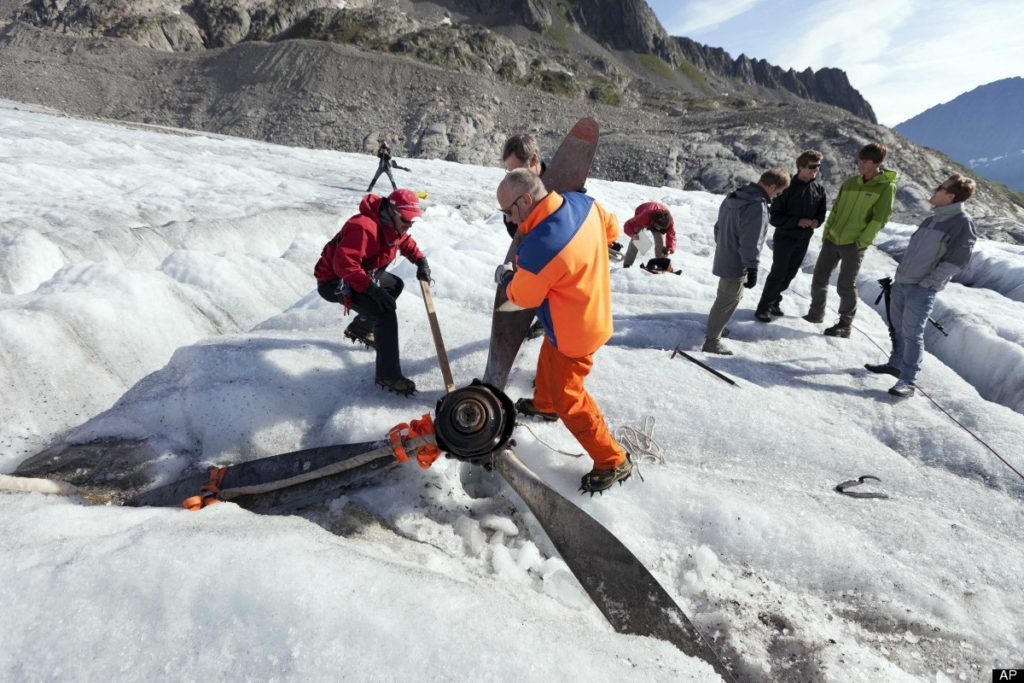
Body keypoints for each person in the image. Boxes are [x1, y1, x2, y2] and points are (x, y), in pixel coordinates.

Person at [494, 169, 630, 493]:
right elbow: (612, 229)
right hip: (585, 313)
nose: (508, 220)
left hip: (577, 332)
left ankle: (612, 459)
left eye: (508, 212)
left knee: (570, 397)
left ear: (526, 200)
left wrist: (506, 278)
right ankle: (544, 405)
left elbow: (523, 297)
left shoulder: (542, 247)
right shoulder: (584, 204)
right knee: (548, 357)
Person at [865, 174, 977, 398]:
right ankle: (895, 364)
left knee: (913, 333)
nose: (934, 190)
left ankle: (908, 381)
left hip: (921, 288)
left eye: (940, 188)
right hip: (903, 282)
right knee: (897, 327)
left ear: (950, 196)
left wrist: (929, 283)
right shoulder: (931, 219)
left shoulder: (962, 223)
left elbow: (958, 260)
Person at [314, 188, 431, 396]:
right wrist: (372, 290)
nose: (408, 225)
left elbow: (403, 241)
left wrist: (420, 261)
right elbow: (345, 265)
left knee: (394, 285)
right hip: (335, 281)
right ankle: (388, 375)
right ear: (393, 211)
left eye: (412, 222)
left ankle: (360, 328)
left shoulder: (392, 226)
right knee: (385, 313)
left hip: (362, 274)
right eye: (406, 220)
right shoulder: (363, 227)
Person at [804, 143, 898, 337]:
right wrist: (827, 232)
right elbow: (836, 210)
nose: (860, 164)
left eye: (865, 162)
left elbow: (880, 218)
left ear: (877, 163)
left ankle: (845, 324)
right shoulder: (850, 183)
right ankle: (815, 315)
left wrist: (862, 241)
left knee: (845, 285)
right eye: (859, 160)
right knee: (819, 278)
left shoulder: (886, 187)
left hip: (854, 244)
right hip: (833, 239)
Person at [703, 169, 791, 355]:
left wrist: (725, 248)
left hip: (725, 255)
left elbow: (718, 227)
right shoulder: (756, 206)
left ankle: (716, 328)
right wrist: (751, 267)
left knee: (724, 296)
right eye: (778, 191)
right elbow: (751, 240)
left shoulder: (734, 196)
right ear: (771, 186)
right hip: (738, 261)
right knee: (729, 300)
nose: (778, 195)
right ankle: (712, 340)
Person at [754, 150, 827, 321]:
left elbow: (822, 213)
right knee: (778, 272)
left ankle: (774, 302)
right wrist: (797, 222)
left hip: (804, 239)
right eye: (811, 167)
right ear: (800, 167)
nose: (815, 170)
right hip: (785, 237)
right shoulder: (786, 188)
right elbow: (775, 216)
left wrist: (817, 222)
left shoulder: (819, 189)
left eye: (818, 167)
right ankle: (763, 307)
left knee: (790, 273)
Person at [621, 202, 676, 268]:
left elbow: (671, 235)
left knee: (660, 241)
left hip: (656, 219)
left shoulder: (669, 222)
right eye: (657, 226)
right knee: (637, 238)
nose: (658, 229)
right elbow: (627, 225)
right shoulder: (644, 216)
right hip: (642, 211)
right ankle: (627, 264)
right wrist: (632, 235)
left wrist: (670, 249)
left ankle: (660, 263)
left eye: (660, 228)